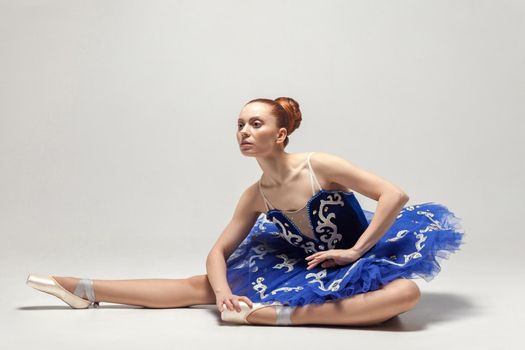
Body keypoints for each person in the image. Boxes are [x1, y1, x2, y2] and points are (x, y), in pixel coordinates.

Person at [26, 97, 465, 327]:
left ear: (281, 134)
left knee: (405, 295)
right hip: (304, 264)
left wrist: (354, 252)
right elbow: (217, 254)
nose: (244, 131)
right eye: (239, 124)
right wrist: (220, 296)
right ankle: (82, 287)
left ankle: (273, 316)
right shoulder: (255, 195)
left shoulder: (321, 165)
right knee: (200, 286)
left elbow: (394, 195)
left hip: (362, 256)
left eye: (256, 124)